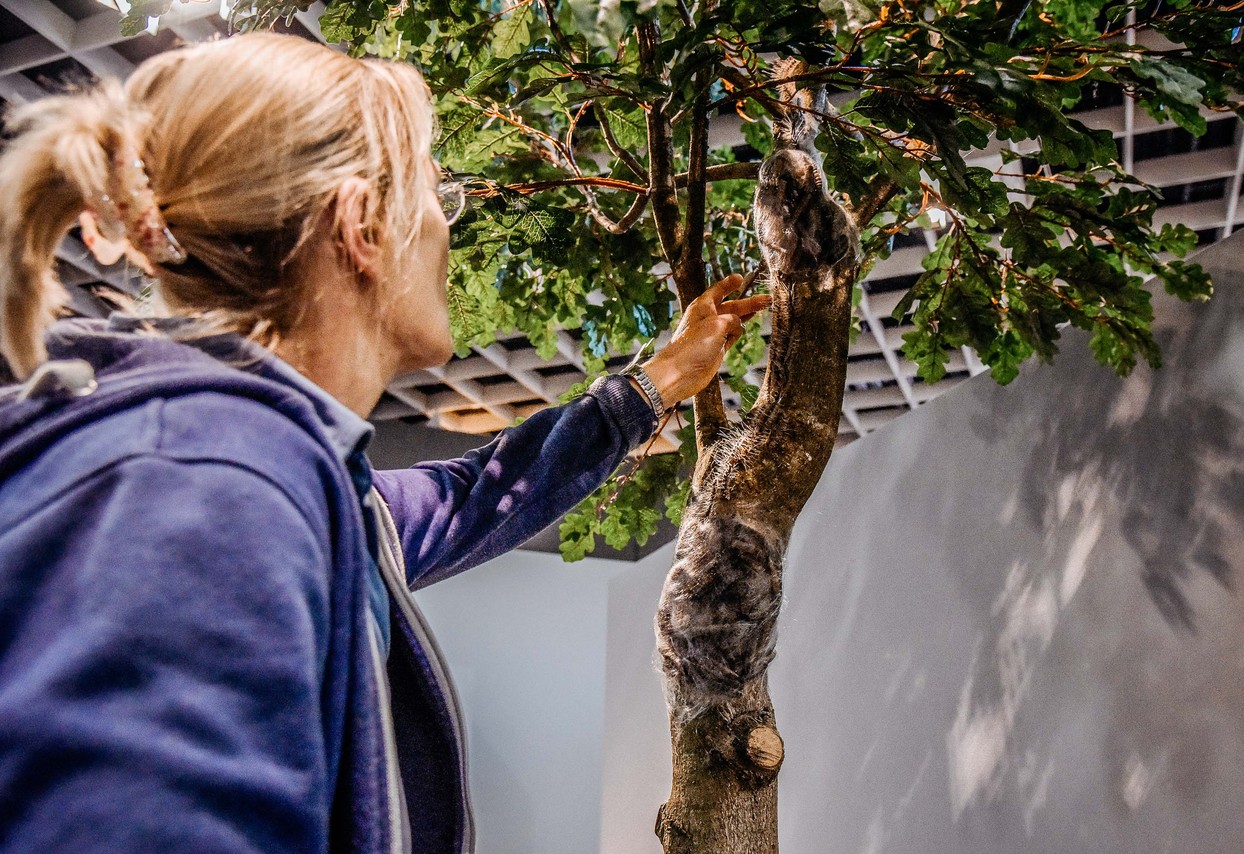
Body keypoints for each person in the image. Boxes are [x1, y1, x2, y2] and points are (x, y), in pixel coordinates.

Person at [0, 32, 769, 854]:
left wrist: (652, 387)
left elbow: (475, 497)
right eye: (439, 195)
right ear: (362, 225)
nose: (447, 229)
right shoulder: (207, 491)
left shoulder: (294, 482)